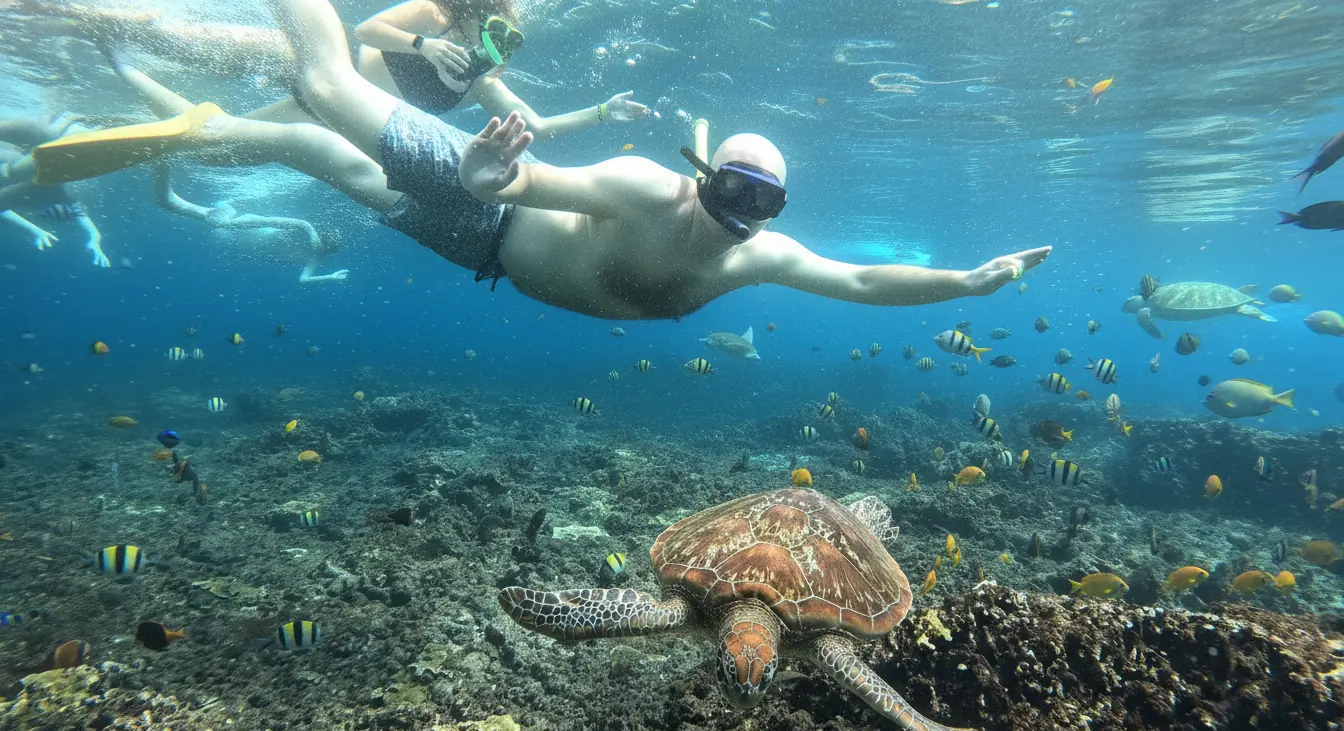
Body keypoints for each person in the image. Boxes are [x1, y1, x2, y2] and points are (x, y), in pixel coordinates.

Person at [19, 0, 1051, 320]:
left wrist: (966, 282)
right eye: (734, 188)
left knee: (312, 153)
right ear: (702, 179)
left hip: (477, 251)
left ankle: (193, 126)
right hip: (493, 211)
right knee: (331, 96)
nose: (744, 214)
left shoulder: (759, 259)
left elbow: (864, 275)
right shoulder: (649, 190)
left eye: (765, 202)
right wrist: (485, 174)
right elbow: (538, 180)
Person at [16, 0, 651, 137]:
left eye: (510, 40)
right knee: (184, 40)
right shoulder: (435, 18)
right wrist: (425, 48)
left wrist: (602, 111)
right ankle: (74, 11)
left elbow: (534, 125)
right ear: (472, 16)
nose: (499, 46)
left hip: (323, 107)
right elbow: (365, 28)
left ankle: (110, 92)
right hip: (316, 62)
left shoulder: (481, 79)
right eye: (494, 30)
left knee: (219, 138)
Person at [152, 164, 350, 284]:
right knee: (216, 216)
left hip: (235, 242)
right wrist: (229, 224)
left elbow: (303, 279)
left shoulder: (314, 255)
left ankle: (225, 208)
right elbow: (266, 221)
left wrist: (330, 277)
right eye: (327, 240)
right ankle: (226, 206)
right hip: (241, 226)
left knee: (210, 227)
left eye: (330, 245)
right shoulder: (302, 230)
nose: (325, 245)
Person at [0, 114, 110, 267]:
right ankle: (69, 131)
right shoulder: (57, 195)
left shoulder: (55, 195)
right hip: (21, 155)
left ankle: (70, 130)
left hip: (24, 154)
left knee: (38, 139)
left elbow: (2, 207)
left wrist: (94, 242)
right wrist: (36, 230)